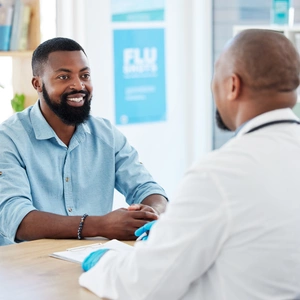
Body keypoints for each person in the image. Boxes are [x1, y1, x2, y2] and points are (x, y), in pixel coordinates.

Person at [79, 29, 300, 299]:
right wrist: (173, 232)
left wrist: (103, 262)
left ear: (233, 85)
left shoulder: (220, 174)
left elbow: (139, 286)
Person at [0, 37, 168, 246]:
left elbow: (148, 189)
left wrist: (151, 213)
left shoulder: (106, 135)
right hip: (27, 269)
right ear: (38, 84)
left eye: (85, 75)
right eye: (63, 77)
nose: (78, 85)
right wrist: (100, 225)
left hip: (89, 261)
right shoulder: (8, 138)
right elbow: (15, 218)